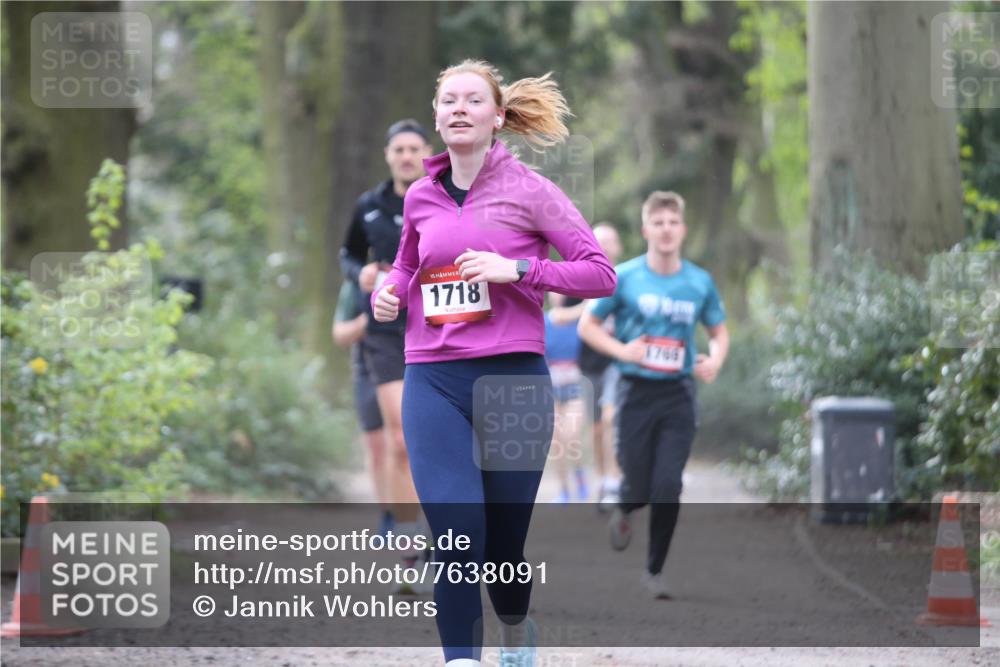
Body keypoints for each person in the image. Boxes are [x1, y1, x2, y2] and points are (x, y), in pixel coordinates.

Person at [372, 59, 615, 667]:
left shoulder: (531, 190)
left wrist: (521, 271)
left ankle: (514, 624)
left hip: (512, 382)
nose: (458, 108)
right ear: (436, 116)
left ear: (497, 117)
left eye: (472, 100)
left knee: (502, 547)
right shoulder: (422, 196)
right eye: (447, 99)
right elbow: (408, 264)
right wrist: (391, 292)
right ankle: (461, 660)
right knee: (456, 538)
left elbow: (599, 273)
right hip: (433, 379)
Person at [578, 191, 729, 600]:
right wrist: (622, 350)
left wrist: (714, 358)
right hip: (634, 393)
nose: (666, 230)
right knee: (638, 482)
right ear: (647, 230)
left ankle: (654, 570)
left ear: (682, 230)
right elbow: (588, 326)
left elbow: (718, 331)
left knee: (668, 485)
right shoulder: (624, 277)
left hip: (678, 394)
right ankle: (626, 507)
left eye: (673, 222)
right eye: (658, 223)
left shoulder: (699, 281)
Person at [340, 119, 434, 582]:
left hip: (438, 326)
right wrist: (358, 273)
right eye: (398, 149)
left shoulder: (443, 197)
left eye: (414, 148)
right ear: (387, 155)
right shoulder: (369, 206)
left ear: (427, 152)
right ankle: (410, 540)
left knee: (440, 438)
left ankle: (448, 528)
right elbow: (348, 254)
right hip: (384, 329)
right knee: (401, 437)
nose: (405, 156)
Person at [546, 223, 623, 509]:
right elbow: (558, 316)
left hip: (620, 362)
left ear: (619, 246)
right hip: (587, 368)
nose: (603, 247)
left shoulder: (627, 279)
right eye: (598, 241)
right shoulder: (583, 283)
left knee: (610, 420)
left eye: (609, 241)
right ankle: (602, 481)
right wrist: (589, 307)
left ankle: (614, 482)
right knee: (596, 431)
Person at [331, 279, 392, 535]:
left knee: (405, 445)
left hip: (408, 366)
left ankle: (414, 515)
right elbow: (339, 334)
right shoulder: (356, 284)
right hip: (366, 372)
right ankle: (390, 515)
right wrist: (370, 320)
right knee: (377, 447)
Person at [543, 294, 587, 504]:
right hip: (551, 387)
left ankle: (579, 474)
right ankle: (564, 490)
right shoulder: (543, 321)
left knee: (571, 437)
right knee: (555, 442)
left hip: (574, 386)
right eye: (552, 291)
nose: (557, 295)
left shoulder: (581, 320)